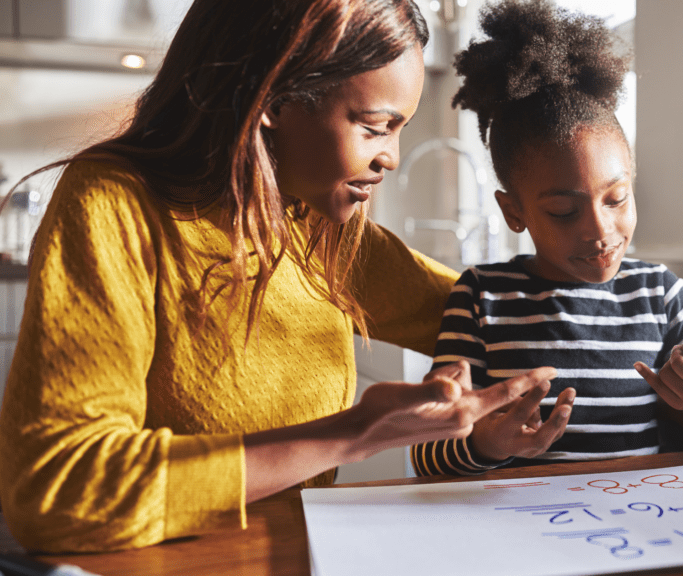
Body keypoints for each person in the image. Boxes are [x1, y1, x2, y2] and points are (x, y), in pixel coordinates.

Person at [0, 0, 559, 553]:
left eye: (399, 129)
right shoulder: (114, 203)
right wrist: (352, 433)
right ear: (274, 96)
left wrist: (640, 325)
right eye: (373, 127)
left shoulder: (319, 222)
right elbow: (58, 492)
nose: (390, 157)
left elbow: (495, 321)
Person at [411, 0, 683, 477]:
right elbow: (425, 451)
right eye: (564, 211)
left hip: (637, 525)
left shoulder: (658, 293)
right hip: (519, 530)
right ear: (514, 212)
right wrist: (484, 444)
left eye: (616, 199)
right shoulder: (480, 296)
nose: (599, 230)